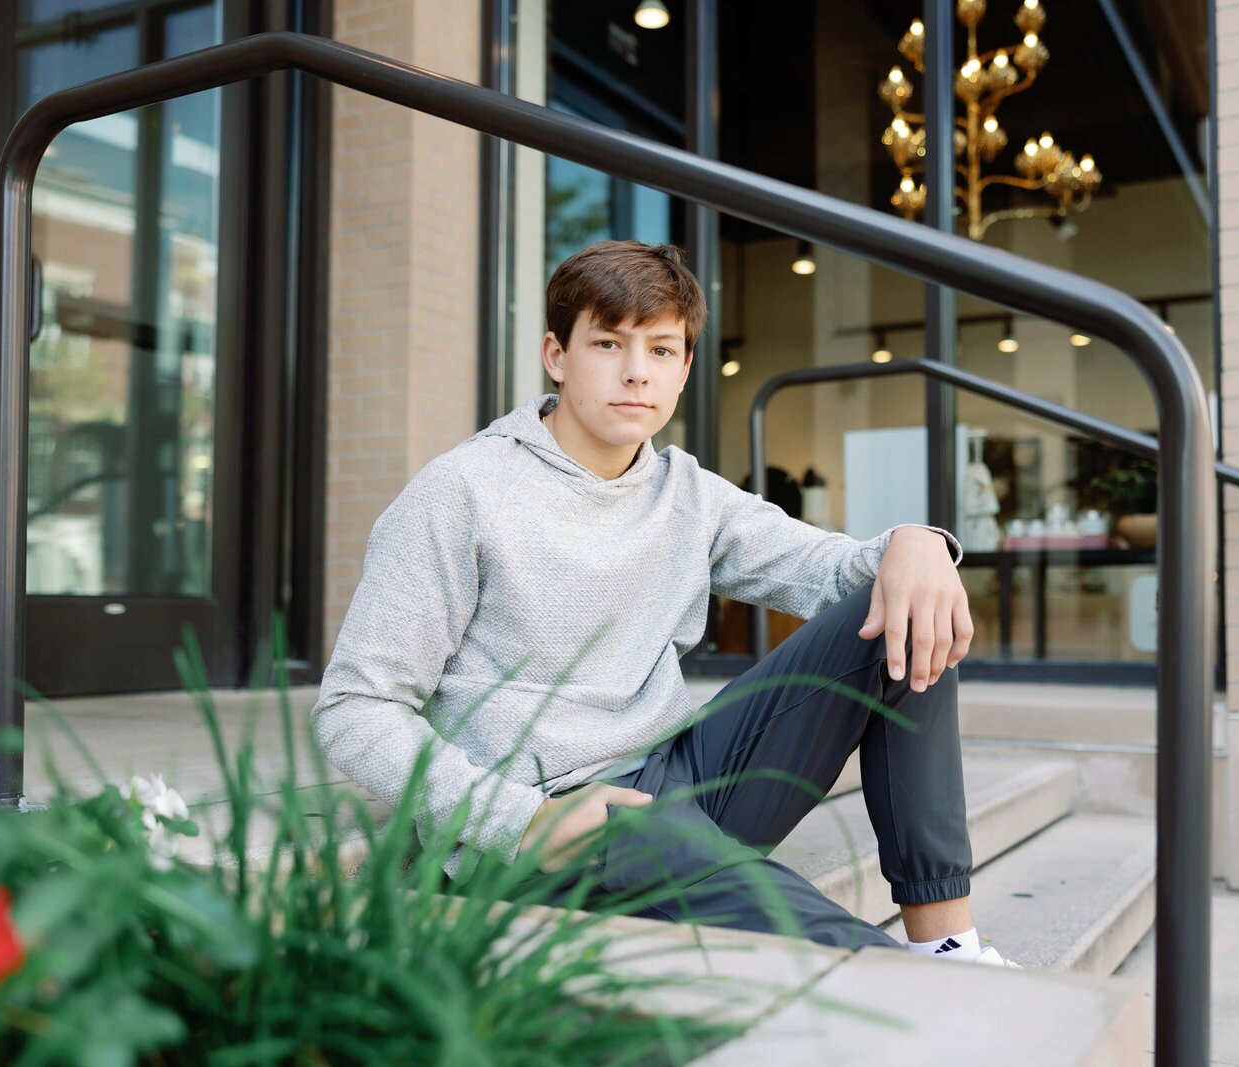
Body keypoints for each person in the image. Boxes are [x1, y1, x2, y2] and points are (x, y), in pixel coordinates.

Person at [311, 239, 1018, 966]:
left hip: (684, 778)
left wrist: (917, 542)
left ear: (684, 368)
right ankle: (928, 996)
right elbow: (355, 706)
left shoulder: (687, 492)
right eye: (608, 343)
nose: (635, 372)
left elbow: (829, 569)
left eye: (660, 349)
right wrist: (522, 820)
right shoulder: (460, 492)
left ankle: (949, 946)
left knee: (902, 602)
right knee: (811, 935)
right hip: (554, 820)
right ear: (557, 355)